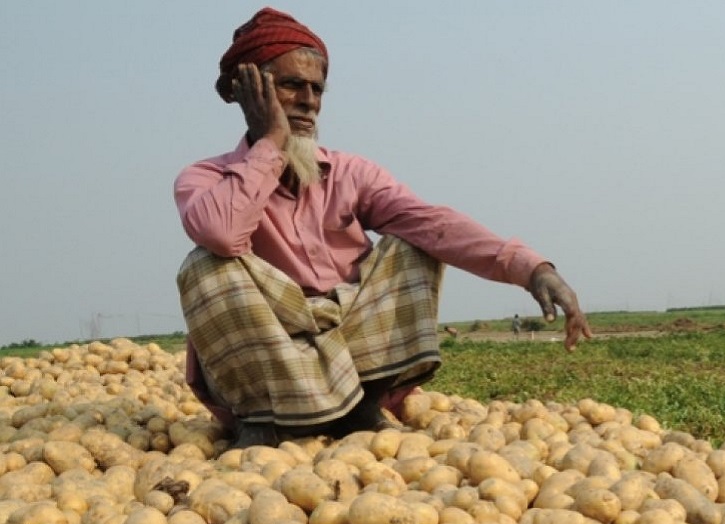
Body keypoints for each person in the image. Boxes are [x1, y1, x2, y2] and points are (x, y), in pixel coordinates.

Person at [175, 7, 592, 449]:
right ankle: (261, 418)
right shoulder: (206, 178)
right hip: (273, 355)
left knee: (415, 243)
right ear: (250, 93)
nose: (309, 101)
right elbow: (222, 233)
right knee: (205, 265)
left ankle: (360, 408)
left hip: (350, 346)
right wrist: (270, 143)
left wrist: (531, 269)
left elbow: (433, 224)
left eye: (317, 89)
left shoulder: (351, 173)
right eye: (292, 85)